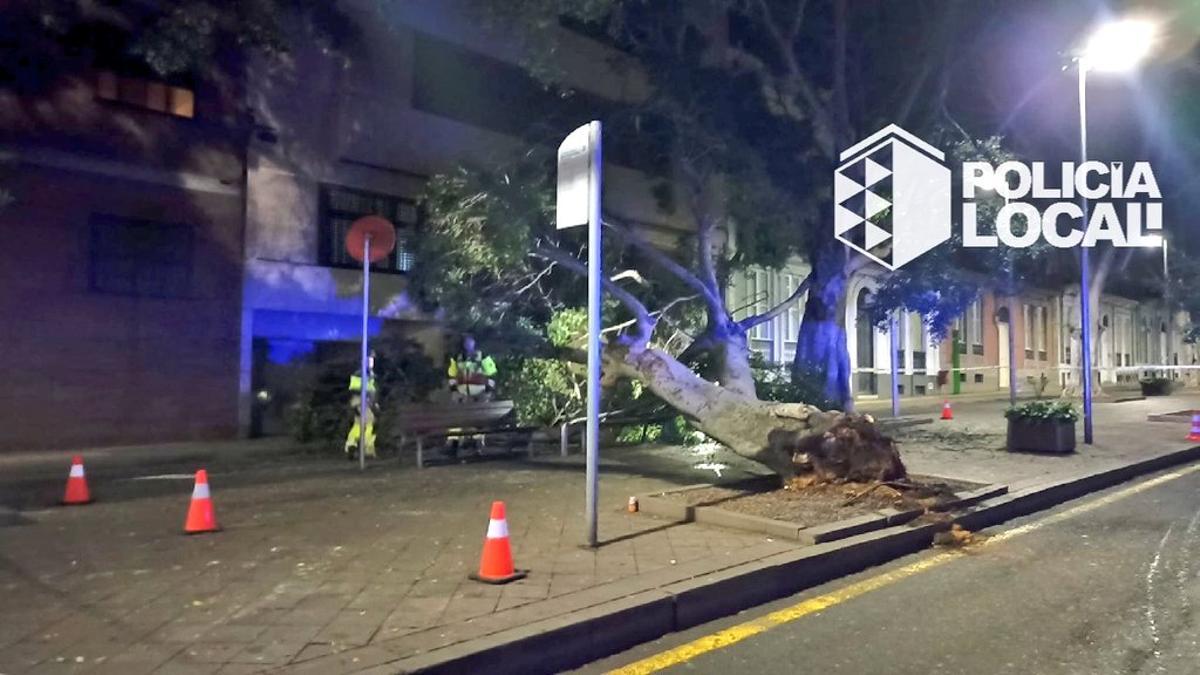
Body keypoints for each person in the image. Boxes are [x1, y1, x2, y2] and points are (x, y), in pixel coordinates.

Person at [344, 352, 378, 460]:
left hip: (365, 403)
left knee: (359, 424)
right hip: (360, 401)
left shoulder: (370, 374)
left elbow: (372, 390)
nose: (371, 362)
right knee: (370, 422)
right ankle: (367, 447)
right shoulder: (360, 373)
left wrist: (373, 402)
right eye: (369, 360)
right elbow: (354, 389)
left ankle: (352, 444)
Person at [447, 335, 498, 402]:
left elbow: (492, 373)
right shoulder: (457, 357)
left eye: (470, 341)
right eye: (466, 341)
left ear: (474, 343)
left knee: (482, 410)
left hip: (480, 392)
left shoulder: (482, 356)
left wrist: (488, 391)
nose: (468, 344)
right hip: (462, 392)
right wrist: (454, 391)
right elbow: (451, 375)